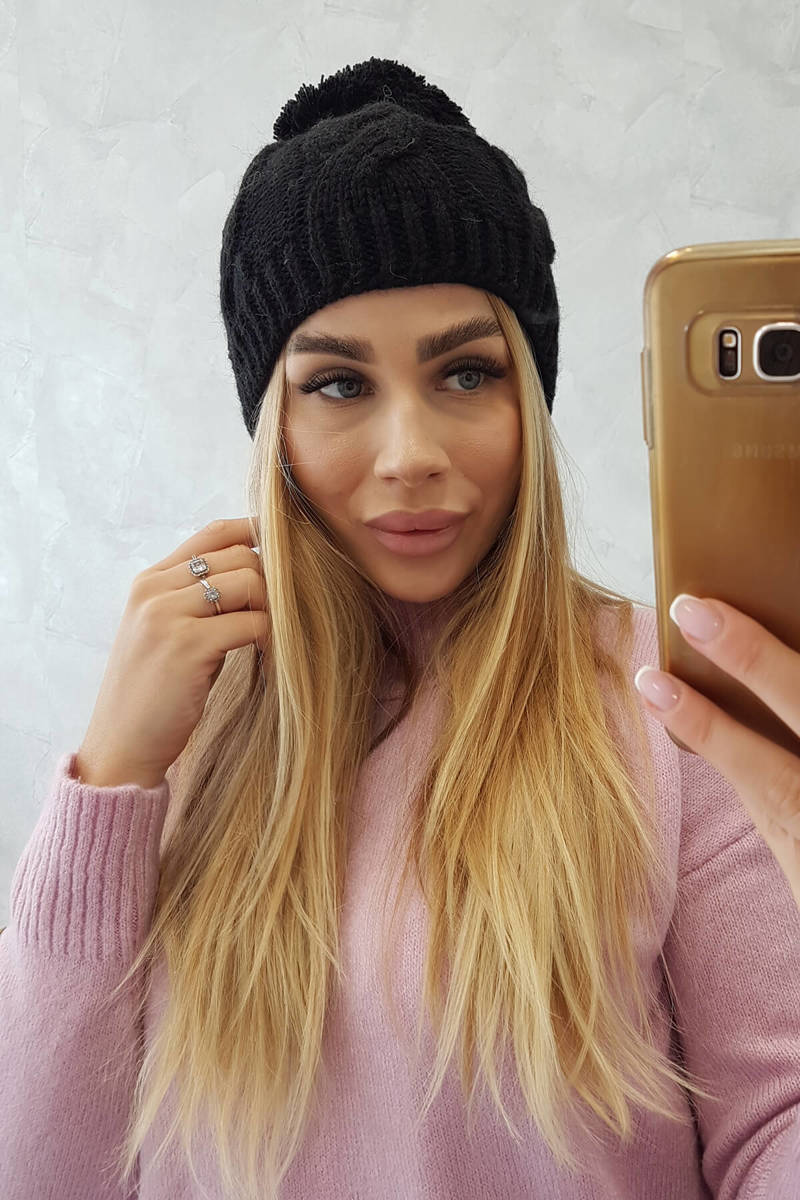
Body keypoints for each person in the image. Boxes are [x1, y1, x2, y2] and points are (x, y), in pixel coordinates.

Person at [2, 56, 799, 1200]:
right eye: (338, 385)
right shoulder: (179, 725)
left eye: (465, 374)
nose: (410, 454)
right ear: (271, 422)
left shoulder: (666, 704)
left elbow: (771, 1134)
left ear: (528, 397)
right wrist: (112, 783)